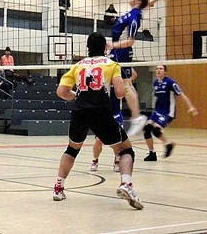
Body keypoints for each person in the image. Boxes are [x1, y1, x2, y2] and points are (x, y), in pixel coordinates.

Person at [52, 32, 143, 209]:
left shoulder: (77, 66)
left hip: (80, 112)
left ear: (88, 47)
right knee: (126, 151)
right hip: (101, 113)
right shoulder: (112, 64)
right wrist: (126, 86)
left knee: (71, 150)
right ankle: (126, 184)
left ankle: (58, 188)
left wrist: (78, 96)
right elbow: (120, 93)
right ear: (105, 48)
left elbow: (61, 92)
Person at [106, 0, 164, 136]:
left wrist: (112, 45)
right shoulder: (134, 12)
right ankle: (131, 115)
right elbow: (146, 4)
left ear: (138, 1)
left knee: (126, 85)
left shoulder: (134, 16)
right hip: (117, 52)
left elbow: (131, 41)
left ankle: (136, 117)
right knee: (122, 83)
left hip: (121, 51)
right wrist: (156, 0)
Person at [143, 64, 198, 161]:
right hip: (157, 111)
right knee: (146, 129)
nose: (158, 70)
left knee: (156, 130)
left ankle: (168, 145)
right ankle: (152, 153)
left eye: (161, 69)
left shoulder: (170, 82)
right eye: (157, 69)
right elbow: (158, 98)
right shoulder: (155, 83)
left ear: (165, 72)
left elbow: (182, 95)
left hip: (168, 112)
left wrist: (191, 106)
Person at [90, 70, 137, 173]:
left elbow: (133, 75)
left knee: (118, 141)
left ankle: (117, 161)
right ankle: (95, 160)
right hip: (102, 113)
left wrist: (126, 72)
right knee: (98, 140)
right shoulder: (101, 79)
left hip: (116, 113)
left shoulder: (119, 80)